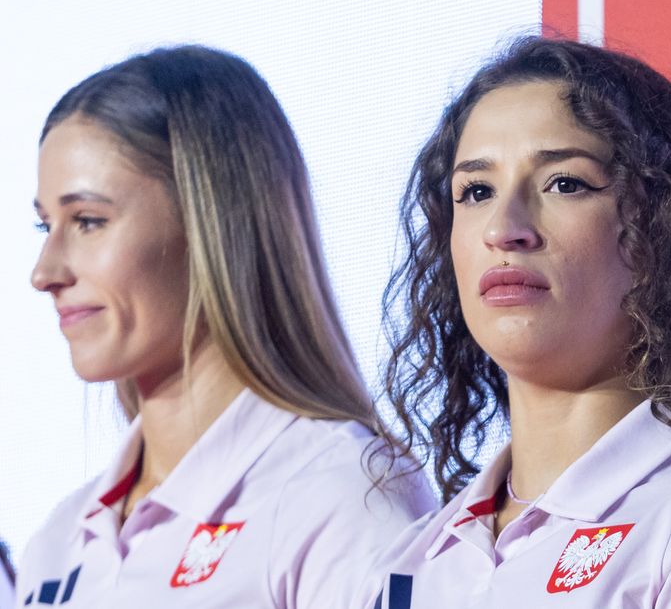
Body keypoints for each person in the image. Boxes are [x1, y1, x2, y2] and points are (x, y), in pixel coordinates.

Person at [356, 36, 671, 609]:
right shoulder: (406, 567)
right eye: (477, 191)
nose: (504, 227)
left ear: (661, 230)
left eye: (565, 183)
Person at [18, 45, 436, 608]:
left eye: (88, 221)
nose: (45, 273)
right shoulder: (60, 542)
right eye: (45, 226)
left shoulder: (343, 495)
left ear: (211, 221)